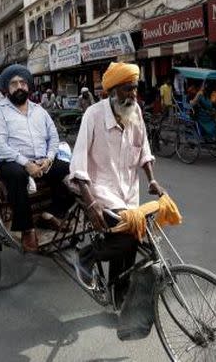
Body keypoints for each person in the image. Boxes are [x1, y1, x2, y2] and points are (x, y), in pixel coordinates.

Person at [68, 61, 164, 307]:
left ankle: (119, 296)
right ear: (111, 92)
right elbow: (78, 164)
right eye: (126, 89)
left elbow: (143, 149)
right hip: (100, 192)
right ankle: (86, 256)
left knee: (129, 250)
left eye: (134, 88)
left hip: (129, 194)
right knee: (128, 238)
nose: (132, 94)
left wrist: (151, 179)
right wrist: (91, 204)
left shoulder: (135, 111)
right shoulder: (93, 115)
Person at [0, 64, 72, 252]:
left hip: (42, 161)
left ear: (28, 86)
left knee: (72, 171)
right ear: (6, 89)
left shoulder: (39, 111)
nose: (19, 87)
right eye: (14, 83)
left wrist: (49, 159)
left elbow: (54, 137)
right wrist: (26, 164)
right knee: (17, 175)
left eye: (23, 83)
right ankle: (27, 229)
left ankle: (50, 215)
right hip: (12, 162)